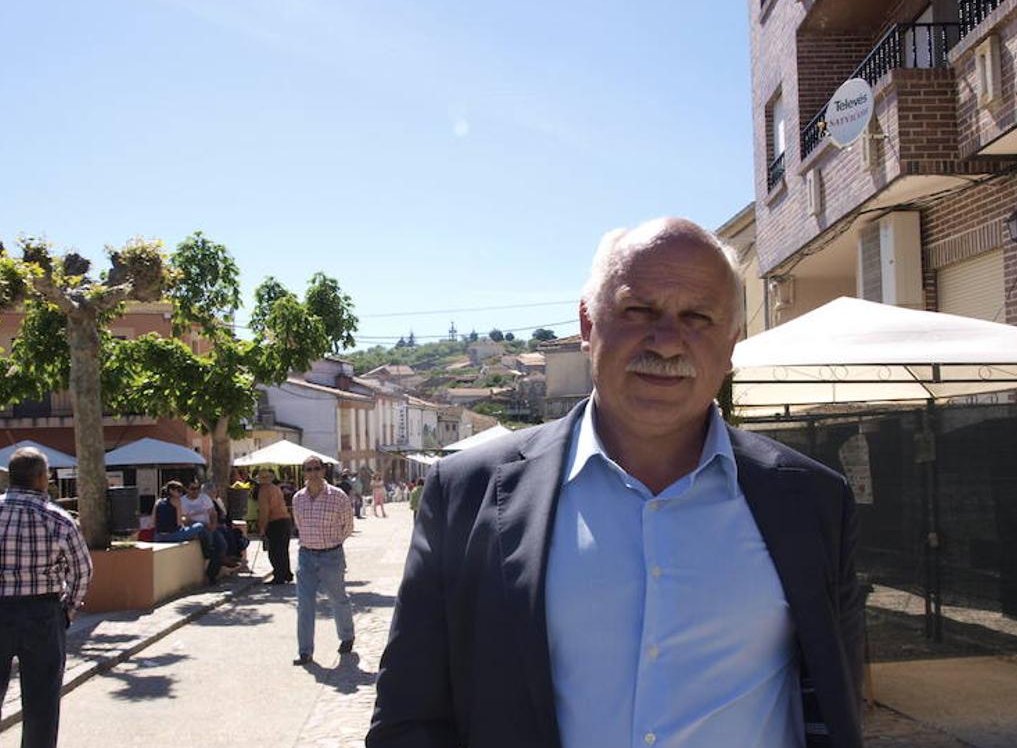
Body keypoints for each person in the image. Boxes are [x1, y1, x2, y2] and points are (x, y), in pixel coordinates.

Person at [368, 218, 863, 748]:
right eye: (638, 311)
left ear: (732, 342)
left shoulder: (813, 501)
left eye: (698, 317)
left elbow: (831, 702)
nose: (668, 342)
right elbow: (410, 718)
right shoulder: (467, 494)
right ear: (587, 324)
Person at [0, 446, 93, 748]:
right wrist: (67, 609)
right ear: (41, 478)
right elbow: (82, 570)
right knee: (42, 700)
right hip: (42, 613)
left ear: (11, 477)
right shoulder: (59, 519)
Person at [291, 456, 355, 665]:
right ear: (304, 473)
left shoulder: (338, 496)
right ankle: (305, 652)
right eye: (308, 469)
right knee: (305, 604)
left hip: (331, 556)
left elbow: (347, 526)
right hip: (306, 555)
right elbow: (299, 524)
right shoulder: (298, 498)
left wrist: (334, 543)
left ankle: (347, 636)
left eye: (316, 468)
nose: (313, 473)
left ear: (323, 470)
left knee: (338, 598)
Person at [256, 467, 293, 584]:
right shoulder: (276, 488)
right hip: (285, 520)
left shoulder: (264, 491)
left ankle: (279, 576)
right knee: (283, 550)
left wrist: (262, 528)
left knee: (274, 551)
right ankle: (286, 573)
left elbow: (264, 511)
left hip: (275, 522)